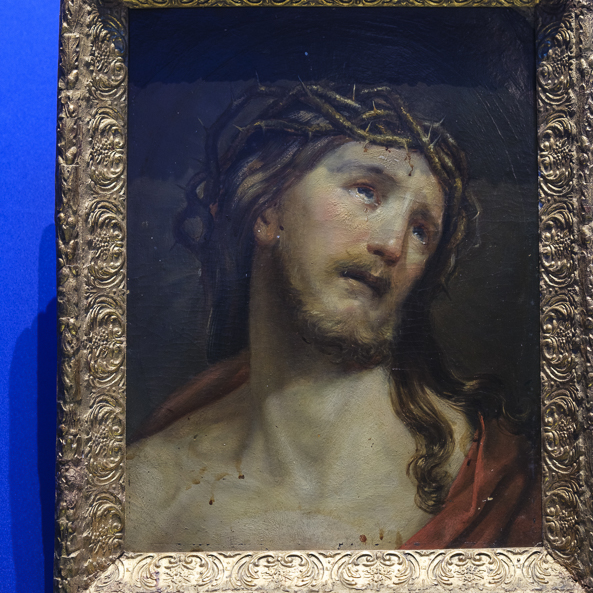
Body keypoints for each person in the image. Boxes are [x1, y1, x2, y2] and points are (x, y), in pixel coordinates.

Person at [126, 82, 540, 552]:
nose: (393, 245)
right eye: (367, 191)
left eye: (422, 230)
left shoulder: (492, 478)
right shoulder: (150, 493)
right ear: (266, 209)